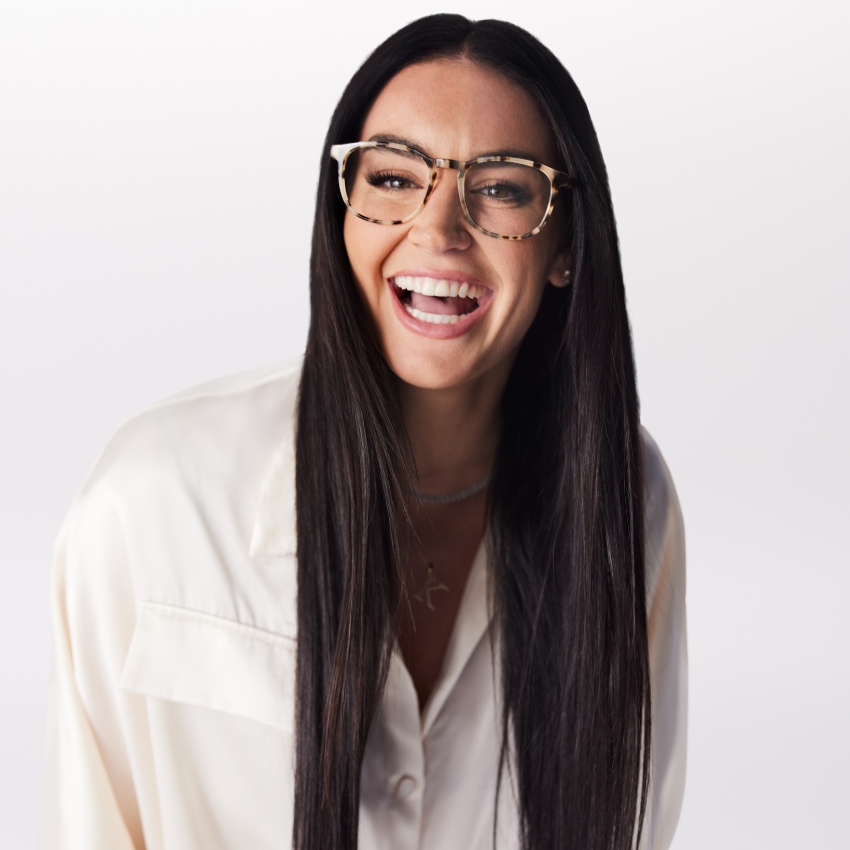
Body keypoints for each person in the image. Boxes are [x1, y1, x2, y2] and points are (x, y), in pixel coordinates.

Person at [39, 14, 686, 850]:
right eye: (392, 176)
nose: (439, 229)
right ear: (341, 211)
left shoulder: (625, 499)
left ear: (566, 244)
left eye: (503, 187)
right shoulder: (153, 502)